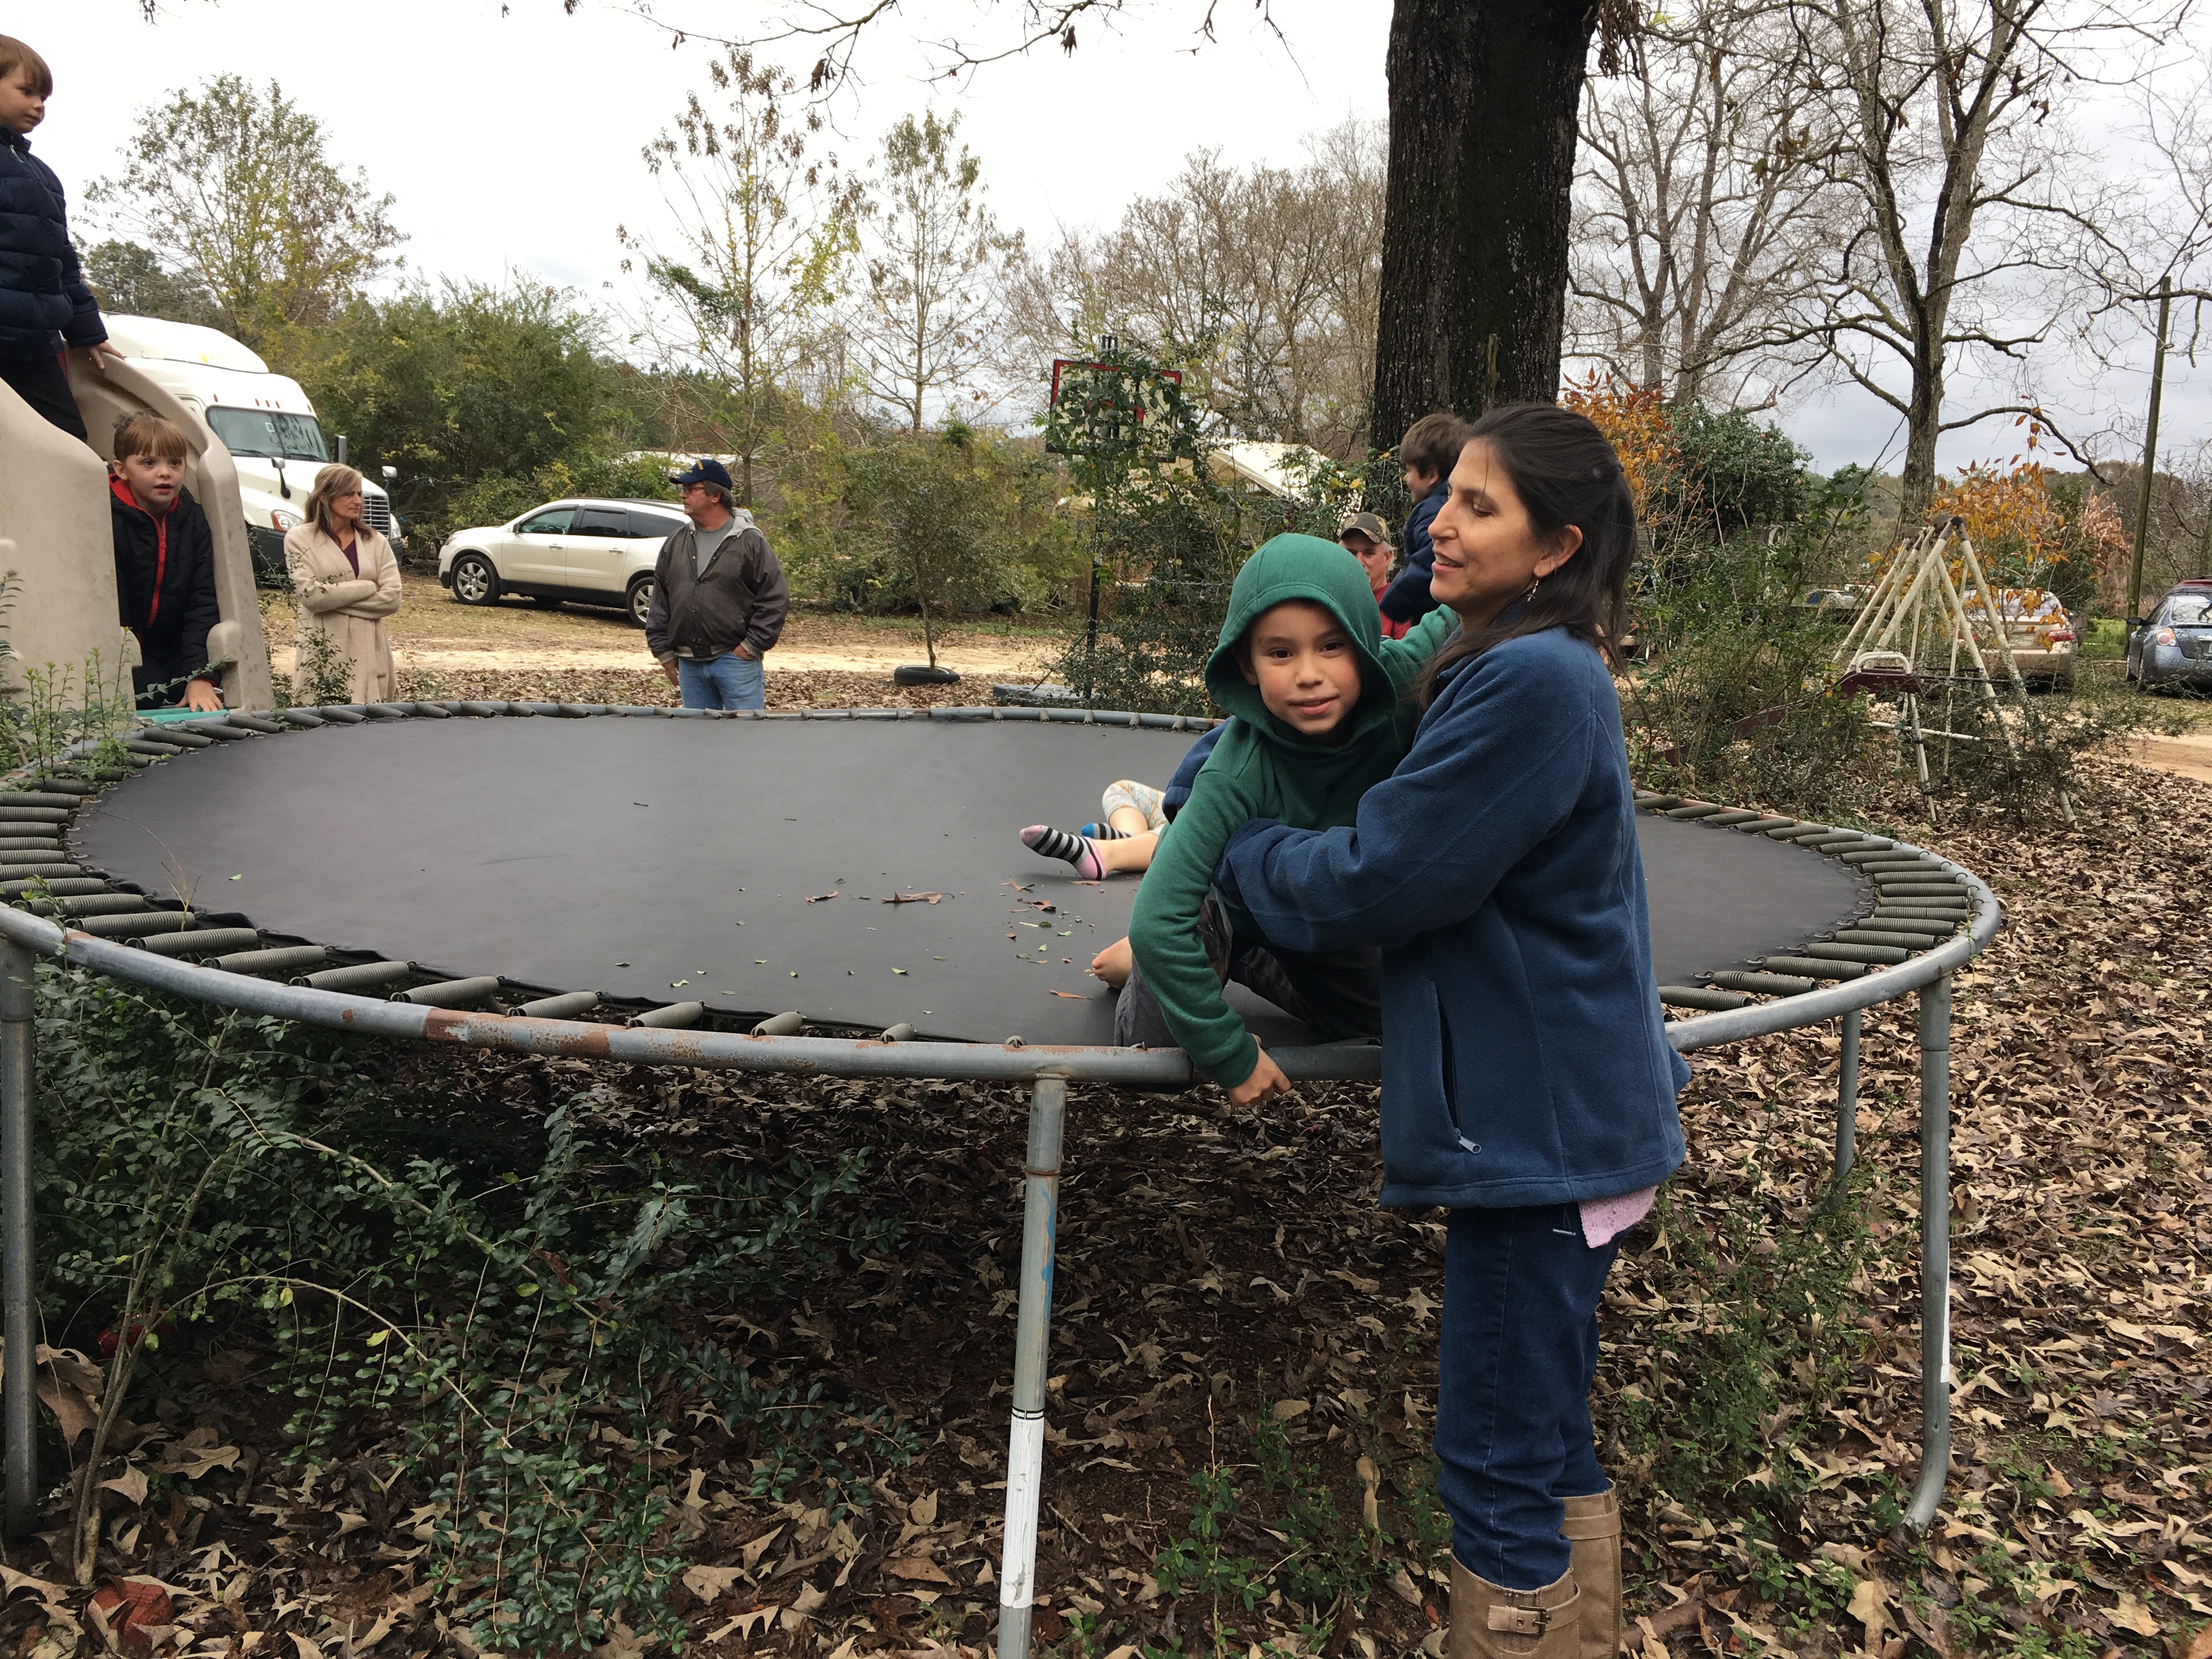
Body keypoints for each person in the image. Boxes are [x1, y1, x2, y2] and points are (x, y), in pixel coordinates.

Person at [1213, 404, 1688, 1659]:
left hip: (1542, 1135)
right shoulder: (1519, 660)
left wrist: (1240, 849)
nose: (1441, 523)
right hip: (1571, 1113)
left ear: (1556, 546)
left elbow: (1389, 878)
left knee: (1494, 1451)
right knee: (1547, 1431)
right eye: (1446, 498)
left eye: (1481, 506)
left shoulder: (1532, 681)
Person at [1108, 534, 1456, 1096]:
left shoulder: (1402, 676)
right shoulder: (1234, 773)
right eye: (1280, 653)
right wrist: (1228, 1053)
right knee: (1150, 1057)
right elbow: (1156, 918)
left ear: (1366, 646)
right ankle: (1170, 963)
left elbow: (1460, 612)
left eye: (1332, 646)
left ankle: (1239, 963)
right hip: (1224, 907)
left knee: (1384, 1022)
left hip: (1310, 911)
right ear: (1246, 665)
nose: (1309, 674)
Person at [0, 35, 118, 440]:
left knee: (68, 442)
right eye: (27, 91)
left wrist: (88, 332)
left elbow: (63, 262)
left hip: (35, 345)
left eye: (44, 97)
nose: (39, 105)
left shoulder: (42, 176)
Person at [644, 459, 789, 711]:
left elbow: (775, 597)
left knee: (744, 734)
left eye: (691, 489)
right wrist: (664, 654)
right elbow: (661, 600)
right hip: (689, 665)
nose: (683, 495)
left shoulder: (750, 542)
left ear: (716, 495)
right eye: (683, 489)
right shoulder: (676, 542)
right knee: (697, 736)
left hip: (736, 663)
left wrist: (750, 646)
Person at [108, 413, 223, 712]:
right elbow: (113, 603)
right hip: (124, 648)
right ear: (121, 469)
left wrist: (200, 675)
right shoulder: (107, 517)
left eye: (175, 463)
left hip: (175, 647)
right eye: (149, 463)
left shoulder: (193, 519)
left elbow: (202, 599)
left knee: (200, 694)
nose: (165, 473)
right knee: (149, 694)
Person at [284, 463, 402, 703]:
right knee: (321, 717)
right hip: (324, 650)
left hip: (369, 650)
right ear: (324, 497)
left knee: (373, 720)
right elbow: (311, 597)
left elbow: (392, 599)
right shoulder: (300, 539)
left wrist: (331, 599)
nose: (358, 501)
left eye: (359, 494)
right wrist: (369, 587)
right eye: (349, 494)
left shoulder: (375, 542)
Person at [1375, 411, 1471, 630]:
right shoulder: (1455, 506)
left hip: (1433, 616)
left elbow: (1433, 555)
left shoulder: (1431, 509)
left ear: (1431, 475)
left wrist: (1396, 600)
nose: (1406, 479)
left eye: (1409, 471)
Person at [1340, 511, 1410, 639]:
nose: (1359, 562)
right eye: (1351, 553)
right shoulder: (1332, 602)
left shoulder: (1399, 603)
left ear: (1387, 558)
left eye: (1369, 553)